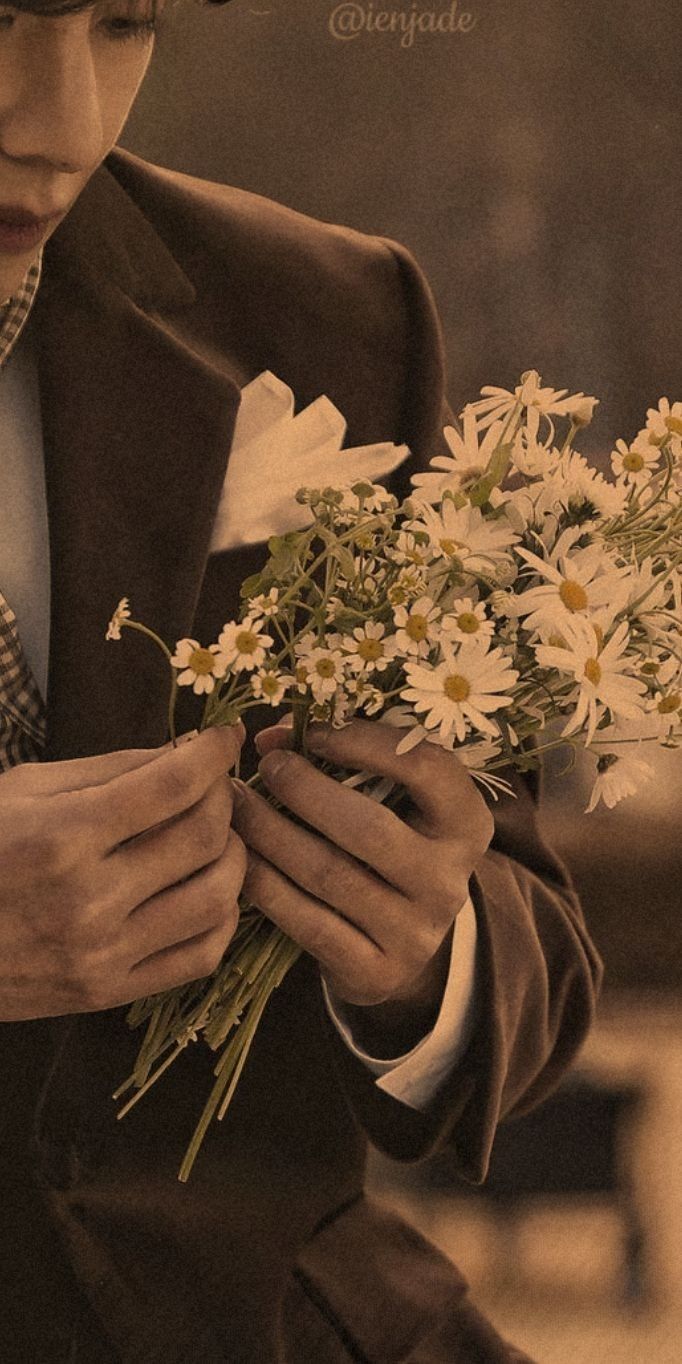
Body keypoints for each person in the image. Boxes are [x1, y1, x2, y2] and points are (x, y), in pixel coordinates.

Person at [0, 1, 602, 1359]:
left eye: (126, 20)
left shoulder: (324, 313)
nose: (62, 127)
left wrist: (421, 961)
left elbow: (533, 954)